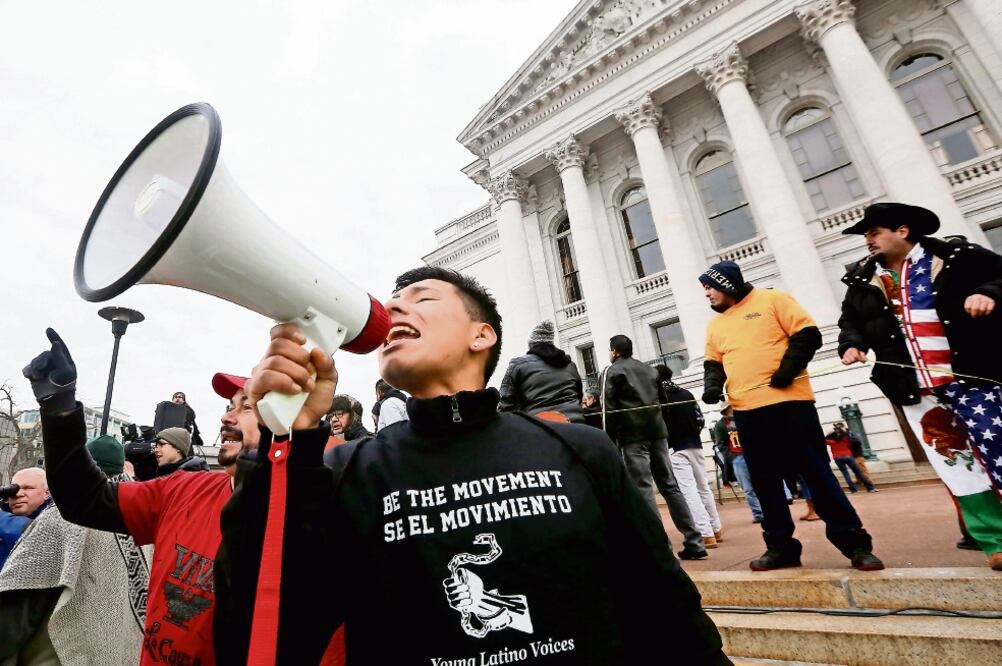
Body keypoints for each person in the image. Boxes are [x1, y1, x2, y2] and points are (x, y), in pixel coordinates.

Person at [215, 266, 728, 665]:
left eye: (422, 298)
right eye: (393, 302)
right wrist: (288, 443)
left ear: (481, 336)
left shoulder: (581, 451)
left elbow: (667, 613)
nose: (393, 307)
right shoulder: (347, 471)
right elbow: (269, 631)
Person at [23, 328, 260, 666]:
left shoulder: (305, 515)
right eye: (228, 406)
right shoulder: (184, 488)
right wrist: (59, 408)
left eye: (246, 407)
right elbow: (85, 499)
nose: (226, 417)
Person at [837, 202, 1002, 570]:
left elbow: (1000, 275)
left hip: (973, 377)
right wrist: (852, 343)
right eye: (866, 235)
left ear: (903, 230)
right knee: (956, 464)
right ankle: (994, 541)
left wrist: (989, 293)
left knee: (999, 450)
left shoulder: (958, 256)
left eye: (874, 232)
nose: (868, 241)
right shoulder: (863, 280)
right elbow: (850, 321)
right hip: (917, 389)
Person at [700, 260, 883, 572]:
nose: (707, 294)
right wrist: (712, 387)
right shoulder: (716, 325)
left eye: (710, 287)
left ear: (726, 283)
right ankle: (780, 546)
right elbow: (713, 363)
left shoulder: (773, 300)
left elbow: (808, 335)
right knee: (764, 482)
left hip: (791, 406)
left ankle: (855, 544)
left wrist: (786, 371)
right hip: (747, 412)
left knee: (816, 474)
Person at [0, 438, 151, 666]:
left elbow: (17, 604)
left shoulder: (63, 515)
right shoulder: (140, 520)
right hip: (119, 654)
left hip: (59, 655)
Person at [604, 335, 707, 560]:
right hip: (658, 433)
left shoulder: (613, 371)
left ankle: (660, 547)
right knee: (670, 486)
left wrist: (608, 441)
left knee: (643, 488)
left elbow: (610, 411)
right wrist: (666, 432)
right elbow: (664, 403)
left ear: (614, 351)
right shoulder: (650, 370)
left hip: (633, 435)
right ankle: (694, 541)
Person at [656, 365, 723, 547]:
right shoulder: (686, 393)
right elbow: (699, 418)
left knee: (688, 490)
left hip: (675, 446)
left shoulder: (659, 397)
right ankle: (716, 528)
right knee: (703, 487)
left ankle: (705, 532)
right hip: (695, 443)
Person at [498, 319, 584, 423]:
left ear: (531, 345)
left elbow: (505, 405)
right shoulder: (570, 365)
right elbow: (579, 395)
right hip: (576, 424)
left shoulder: (517, 365)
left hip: (540, 428)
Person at [711, 403, 762, 523]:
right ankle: (758, 514)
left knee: (761, 484)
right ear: (727, 409)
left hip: (752, 455)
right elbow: (720, 443)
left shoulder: (744, 418)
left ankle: (767, 510)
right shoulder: (721, 425)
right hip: (737, 458)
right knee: (748, 488)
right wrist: (731, 457)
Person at [825, 422, 876, 493]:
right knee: (858, 472)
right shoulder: (845, 438)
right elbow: (850, 442)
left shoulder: (830, 441)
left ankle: (854, 490)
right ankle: (870, 488)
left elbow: (825, 440)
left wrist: (831, 433)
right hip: (848, 456)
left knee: (845, 474)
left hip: (837, 457)